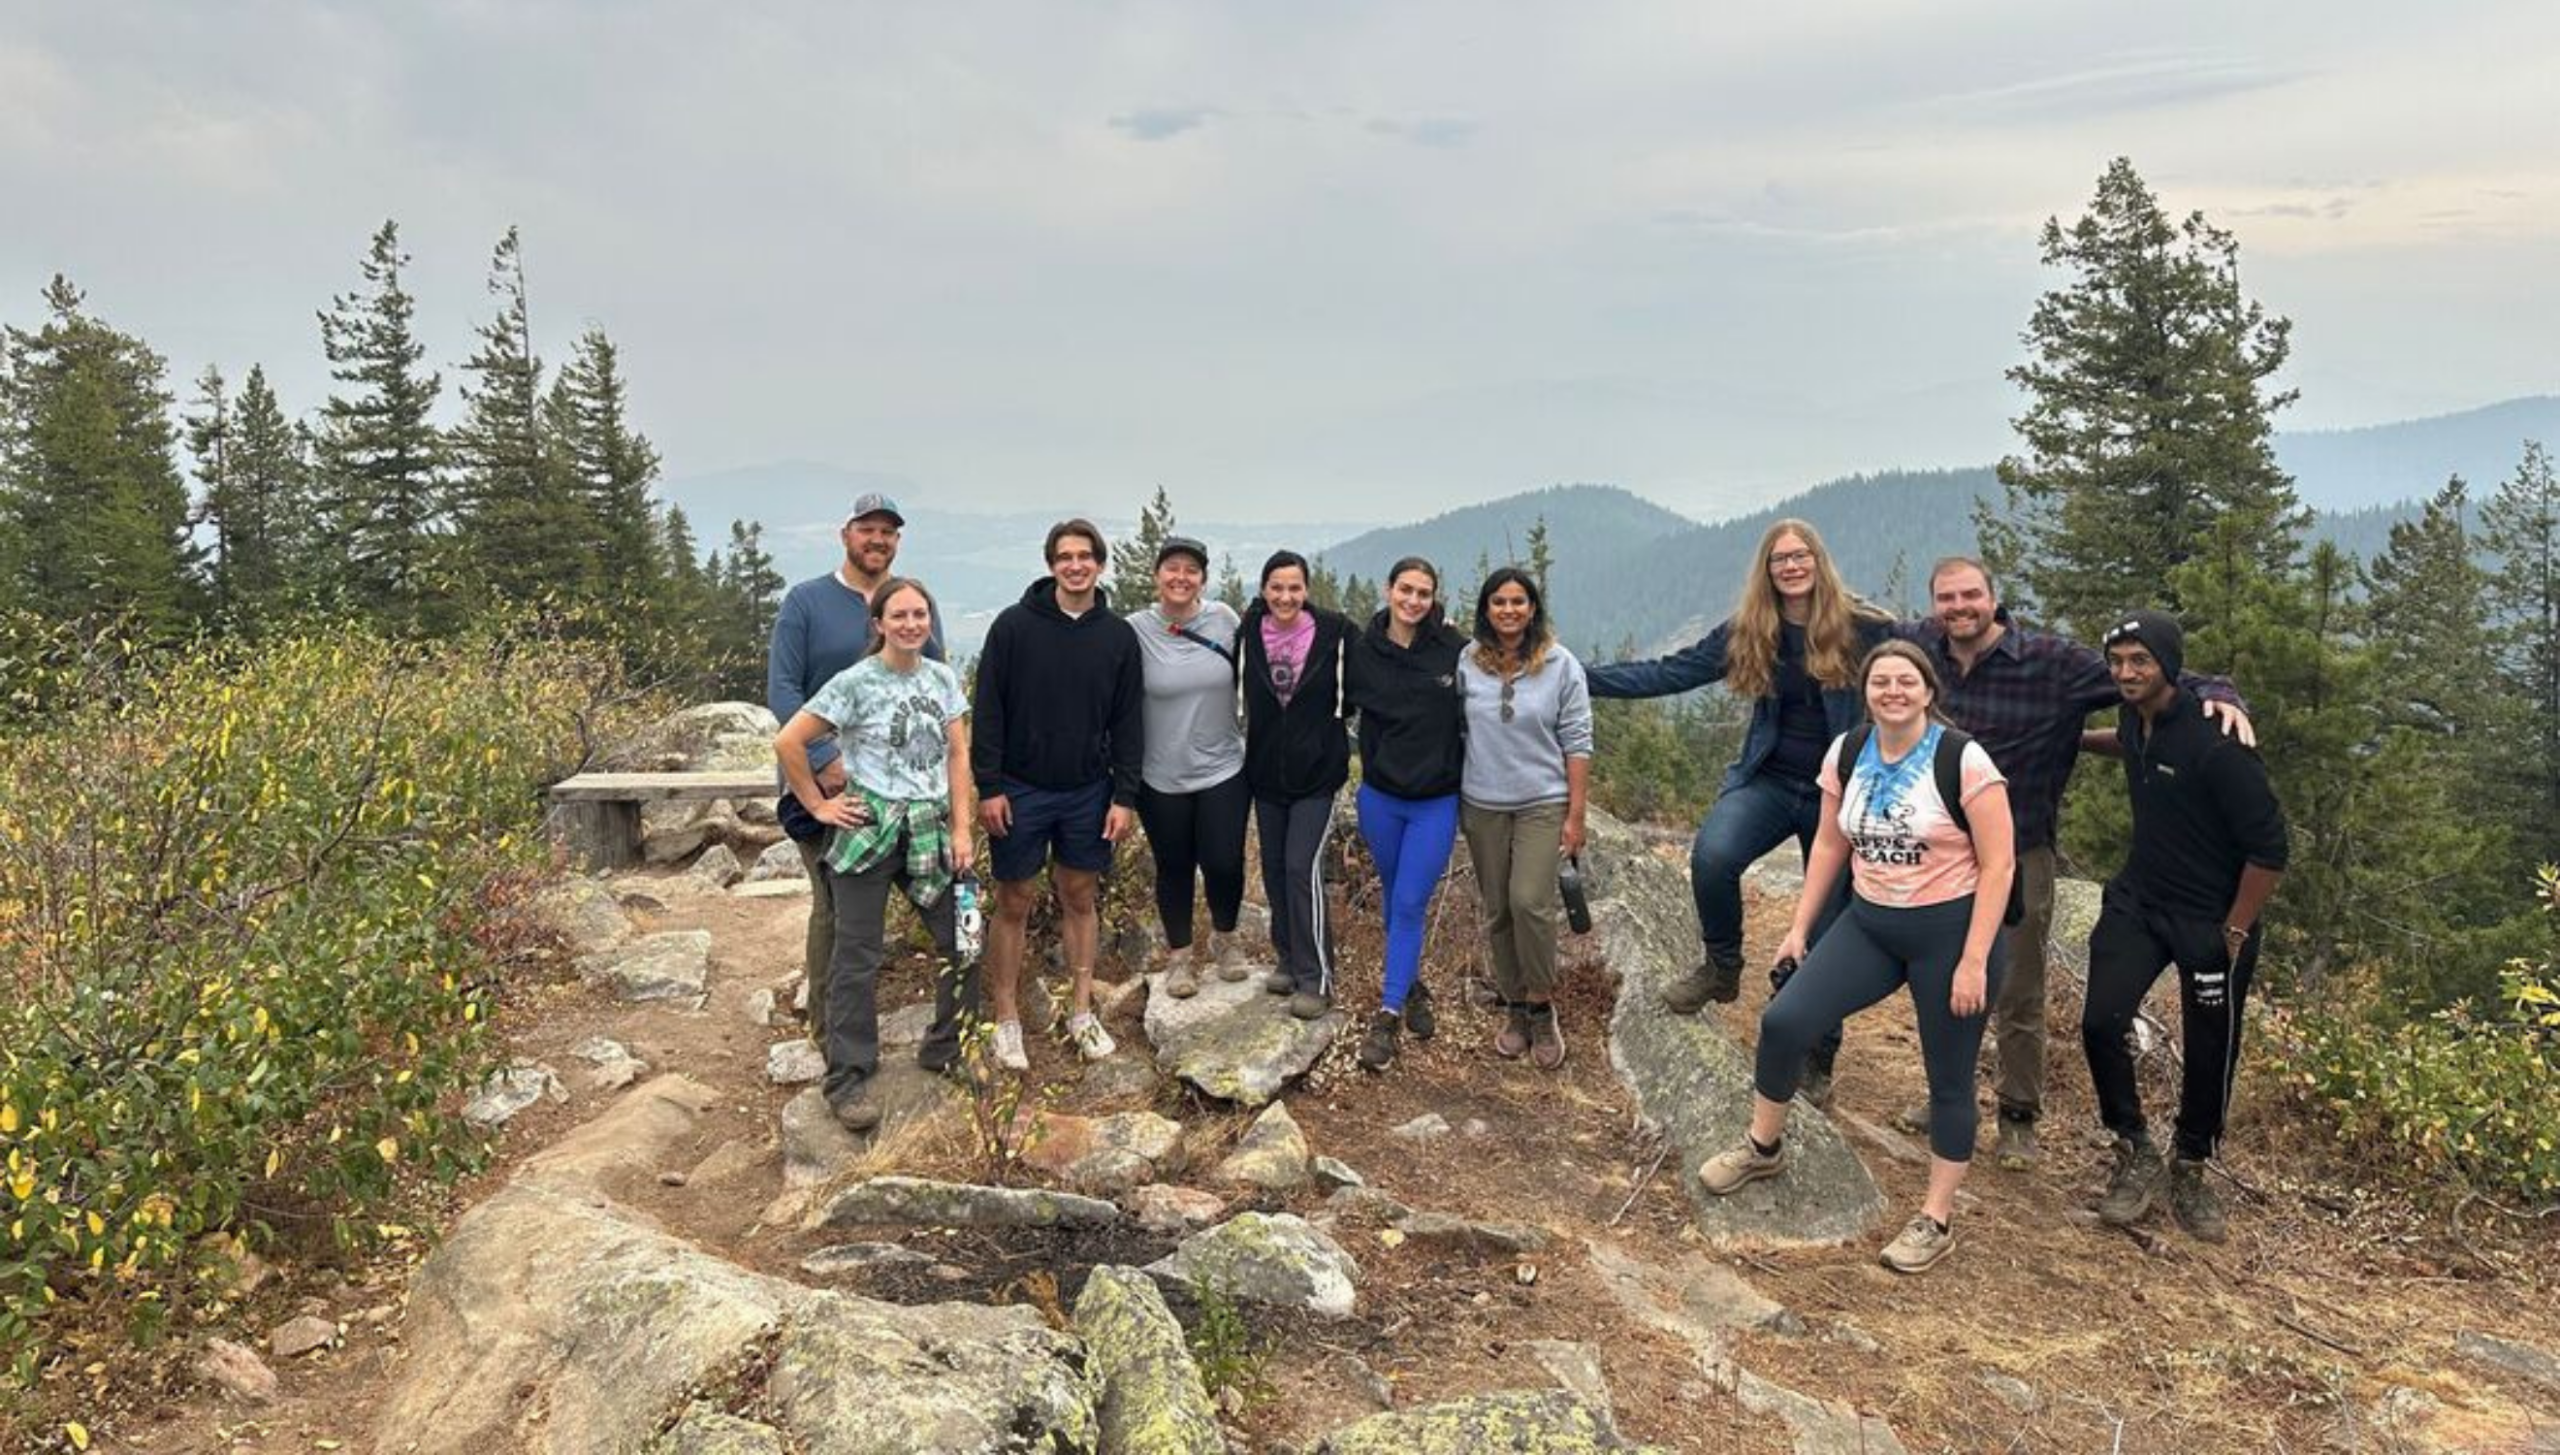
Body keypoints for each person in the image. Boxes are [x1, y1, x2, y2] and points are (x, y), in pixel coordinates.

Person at [1869, 558, 2254, 1167]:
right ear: (1934, 605)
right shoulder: (1922, 650)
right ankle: (1947, 1095)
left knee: (2018, 985)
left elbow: (2159, 677)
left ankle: (2018, 1116)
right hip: (1941, 849)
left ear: (1995, 600)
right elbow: (1866, 648)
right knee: (1946, 977)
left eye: (1971, 595)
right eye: (1947, 597)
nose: (1959, 606)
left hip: (2020, 848)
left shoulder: (2052, 664)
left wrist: (2222, 697)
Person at [1696, 640, 2015, 1275]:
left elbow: (2000, 862)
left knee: (1948, 1077)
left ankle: (1936, 1218)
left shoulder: (1962, 759)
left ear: (1928, 691)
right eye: (1879, 683)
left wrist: (1975, 958)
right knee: (1784, 1022)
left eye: (1905, 682)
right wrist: (1800, 926)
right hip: (1870, 921)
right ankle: (1764, 1146)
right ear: (1865, 693)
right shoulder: (1848, 752)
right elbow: (1830, 847)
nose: (1892, 692)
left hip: (1950, 931)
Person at [1585, 520, 1891, 1057]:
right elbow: (1667, 673)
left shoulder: (1863, 629)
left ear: (1818, 562)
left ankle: (1819, 1059)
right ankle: (1722, 966)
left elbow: (1927, 669)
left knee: (1826, 924)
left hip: (1840, 791)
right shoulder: (1752, 629)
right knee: (1712, 857)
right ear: (1767, 571)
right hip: (1770, 777)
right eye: (1780, 560)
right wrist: (1576, 675)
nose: (1792, 567)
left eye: (1801, 556)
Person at [2081, 610, 2288, 1244]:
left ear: (2168, 665)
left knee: (2211, 1048)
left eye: (2139, 661)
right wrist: (2075, 739)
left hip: (2213, 920)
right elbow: (2135, 744)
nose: (2125, 673)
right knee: (2100, 1021)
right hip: (2141, 901)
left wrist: (2233, 932)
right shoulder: (2133, 714)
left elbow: (2270, 849)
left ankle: (2192, 1164)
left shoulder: (2219, 740)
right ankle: (2135, 1145)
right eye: (2117, 662)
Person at [772, 577, 976, 1130]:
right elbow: (789, 741)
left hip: (931, 830)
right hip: (870, 829)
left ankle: (945, 1047)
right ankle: (848, 1078)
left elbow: (958, 755)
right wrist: (817, 806)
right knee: (855, 959)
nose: (912, 624)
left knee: (966, 941)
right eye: (900, 616)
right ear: (879, 624)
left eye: (920, 615)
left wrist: (962, 829)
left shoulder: (941, 679)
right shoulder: (855, 682)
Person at [767, 492, 944, 1044]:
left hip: (903, 798)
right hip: (827, 789)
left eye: (888, 531)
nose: (878, 539)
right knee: (833, 910)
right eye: (867, 529)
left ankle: (864, 1017)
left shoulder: (910, 607)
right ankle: (826, 1028)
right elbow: (782, 691)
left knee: (896, 910)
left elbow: (936, 695)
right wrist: (825, 763)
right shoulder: (807, 603)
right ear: (846, 535)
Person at [972, 519, 1145, 1070]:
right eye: (1065, 556)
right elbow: (989, 712)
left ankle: (1080, 1011)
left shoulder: (1118, 637)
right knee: (1013, 900)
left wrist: (1125, 795)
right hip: (1020, 789)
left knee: (1079, 896)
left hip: (1088, 790)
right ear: (1051, 565)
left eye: (1085, 556)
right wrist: (990, 786)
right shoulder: (1013, 627)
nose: (1076, 565)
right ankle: (1006, 1017)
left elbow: (1129, 721)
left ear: (1100, 564)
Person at [1412, 566, 1591, 1074]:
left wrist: (1575, 815)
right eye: (1499, 602)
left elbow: (1578, 741)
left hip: (1542, 801)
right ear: (1486, 610)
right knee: (1497, 911)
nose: (1509, 611)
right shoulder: (1467, 661)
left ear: (1533, 608)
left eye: (1519, 602)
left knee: (1529, 901)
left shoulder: (1560, 664)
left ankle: (1541, 1005)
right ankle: (1514, 1006)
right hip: (1483, 802)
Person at [1345, 556, 1469, 1044]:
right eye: (1406, 590)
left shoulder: (1453, 649)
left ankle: (1388, 1013)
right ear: (1388, 589)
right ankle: (1412, 985)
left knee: (1412, 900)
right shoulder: (1362, 650)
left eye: (1424, 593)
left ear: (1433, 598)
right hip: (1379, 799)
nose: (1414, 600)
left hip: (1435, 802)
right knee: (1397, 898)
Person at [1129, 535, 1250, 998]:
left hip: (1223, 765)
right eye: (1172, 568)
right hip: (1160, 774)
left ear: (1203, 578)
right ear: (1157, 575)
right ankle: (1180, 958)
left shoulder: (1224, 619)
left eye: (1191, 570)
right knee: (1174, 865)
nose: (1181, 577)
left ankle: (1226, 938)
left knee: (1223, 861)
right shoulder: (1135, 628)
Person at [1239, 551, 1358, 1020]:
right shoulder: (1249, 632)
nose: (1285, 596)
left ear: (1306, 590)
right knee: (1273, 869)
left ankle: (1316, 977)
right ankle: (1287, 957)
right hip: (1266, 773)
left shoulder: (1336, 633)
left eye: (1294, 587)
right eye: (1276, 587)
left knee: (1300, 868)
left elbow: (1373, 676)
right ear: (1264, 590)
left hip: (1316, 776)